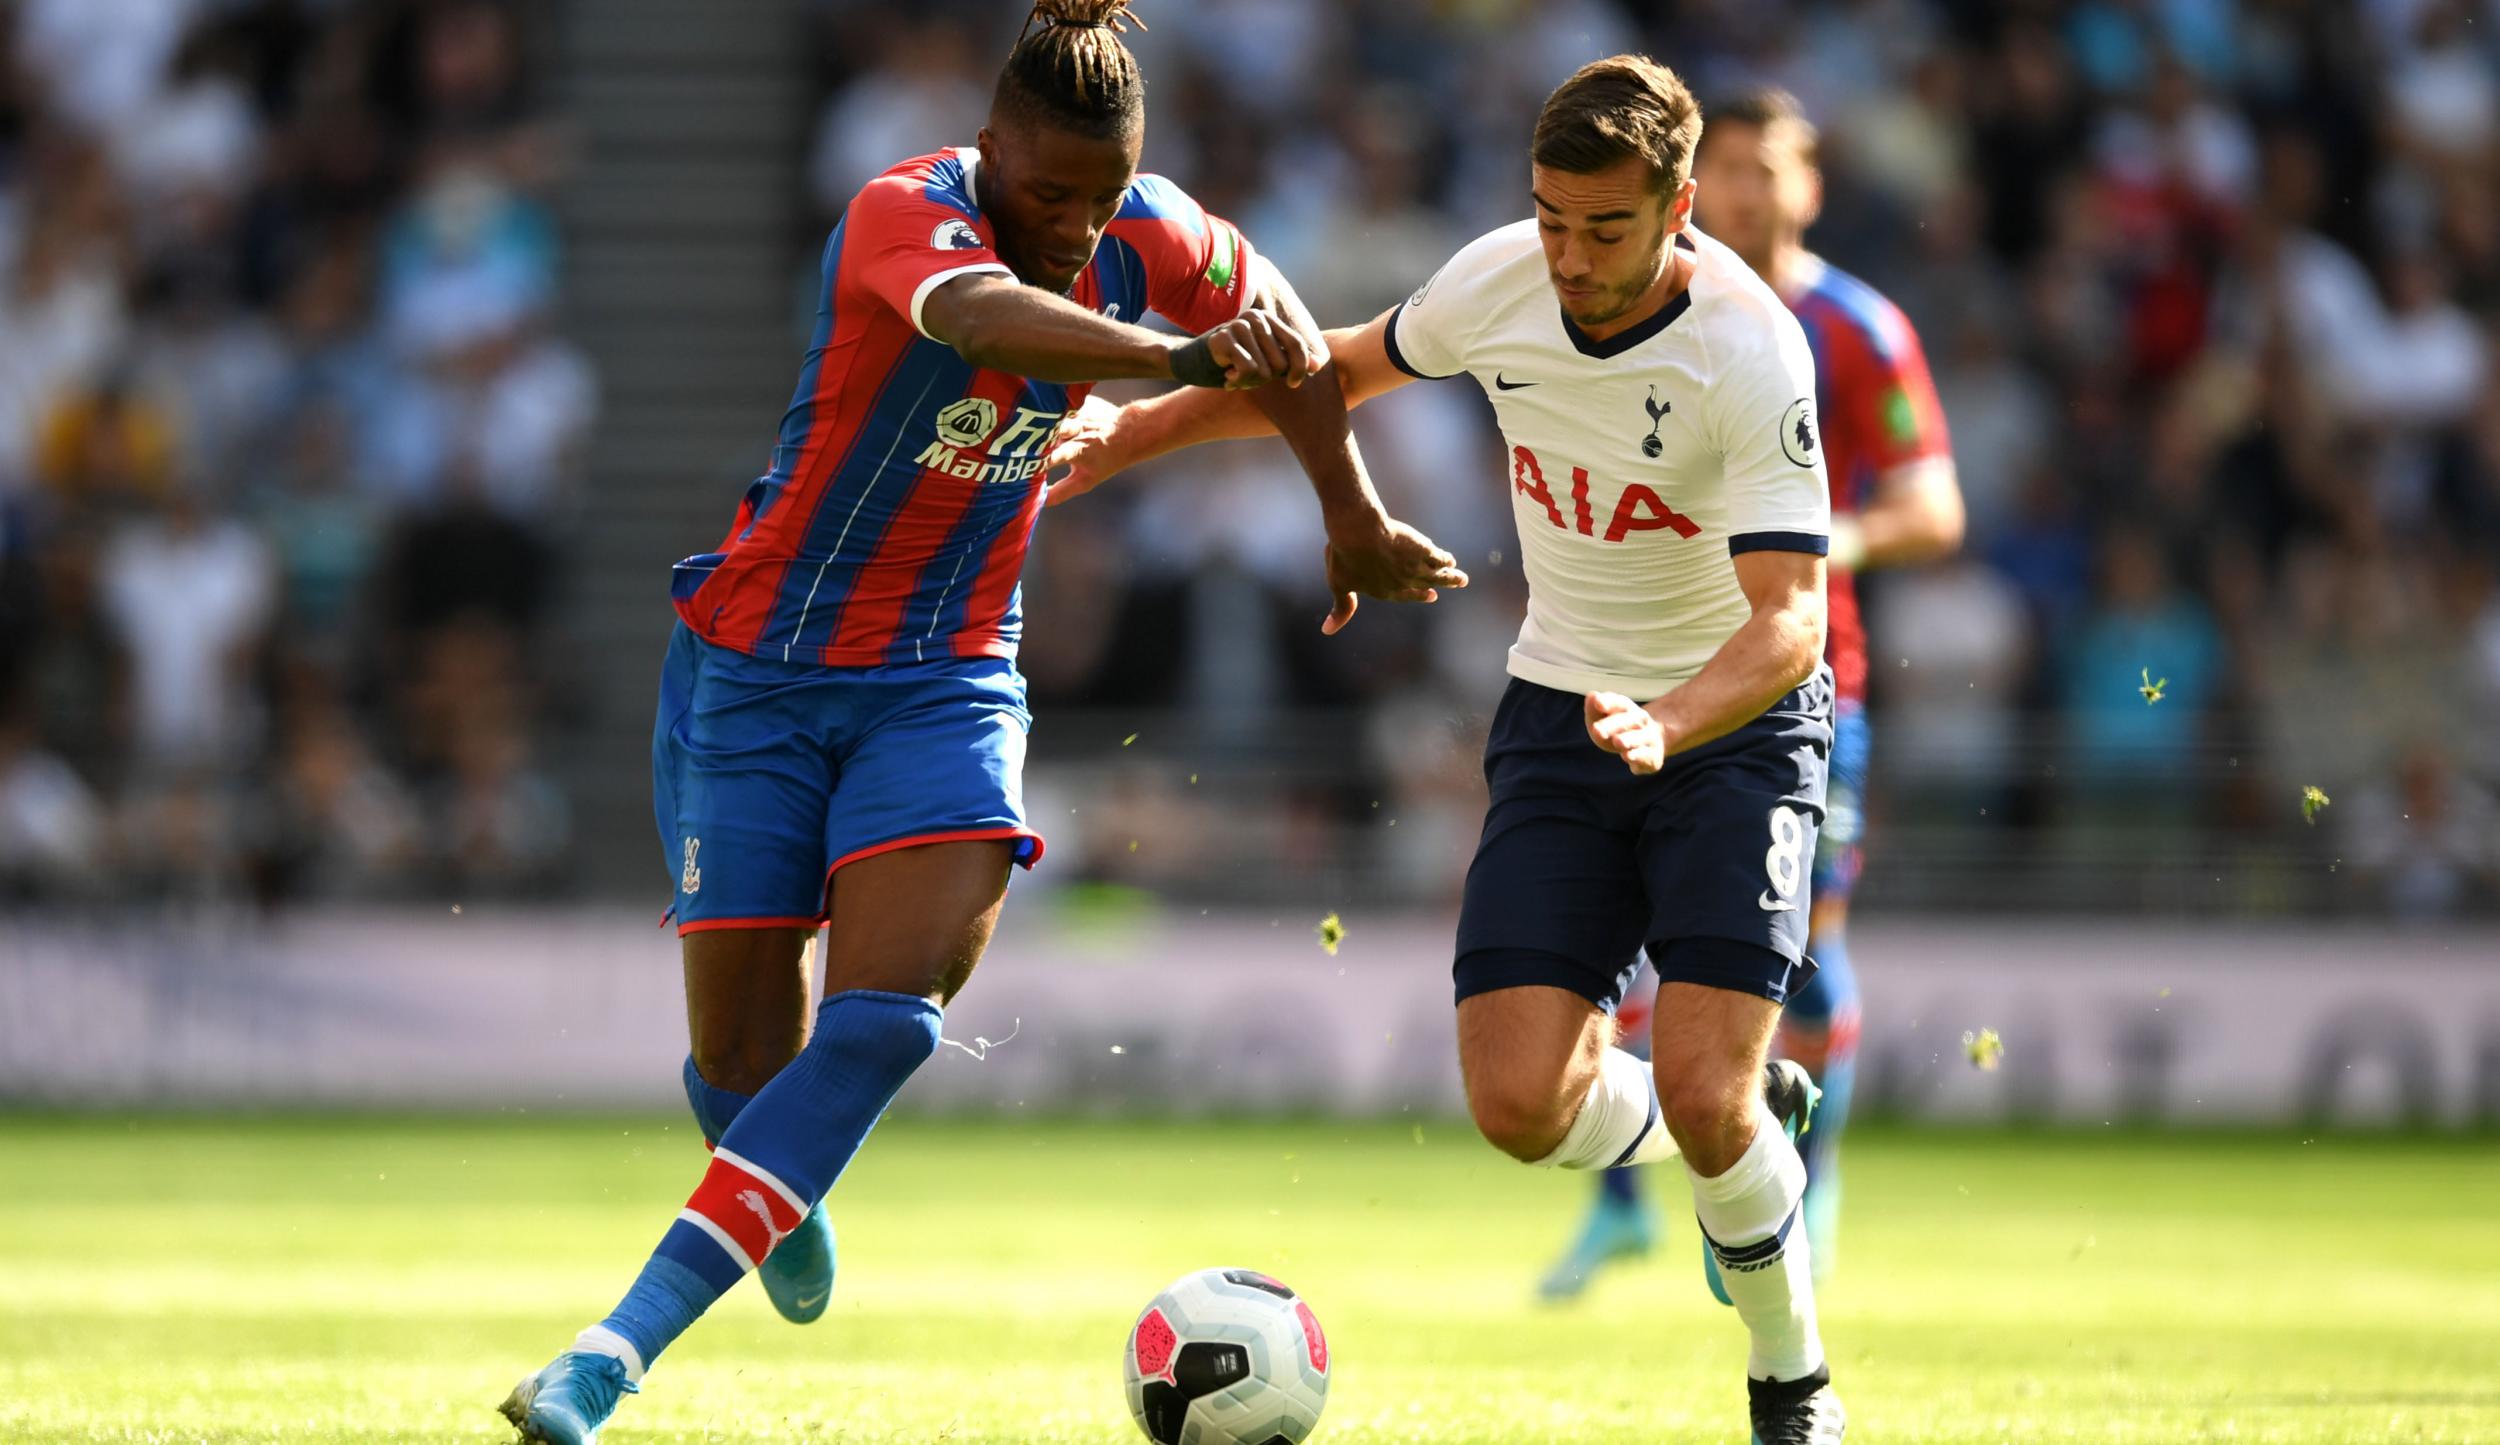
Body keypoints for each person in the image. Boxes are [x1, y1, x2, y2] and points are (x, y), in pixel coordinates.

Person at [496, 4, 1464, 1440]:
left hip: (945, 673)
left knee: (883, 1027)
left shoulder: (1159, 234)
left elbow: (1292, 352)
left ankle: (604, 1357)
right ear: (990, 145)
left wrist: (1352, 508)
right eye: (1046, 192)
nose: (1073, 223)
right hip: (755, 671)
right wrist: (1170, 357)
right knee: (743, 1069)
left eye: (1100, 192)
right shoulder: (907, 212)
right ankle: (769, 1169)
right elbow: (979, 319)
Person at [1049, 54, 1847, 1444]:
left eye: (1603, 228)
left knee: (1709, 1098)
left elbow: (1792, 621)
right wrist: (1135, 436)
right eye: (1549, 217)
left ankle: (1793, 1381)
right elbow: (1324, 376)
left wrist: (1667, 721)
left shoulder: (1750, 347)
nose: (1569, 255)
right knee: (1518, 1105)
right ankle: (1728, 1123)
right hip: (1560, 711)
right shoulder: (1500, 280)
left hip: (1733, 728)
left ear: (1677, 209)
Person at [1544, 86, 1965, 1304]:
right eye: (1724, 167)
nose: (1744, 190)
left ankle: (1806, 1180)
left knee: (1800, 945)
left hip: (1798, 673)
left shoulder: (1856, 327)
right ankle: (1623, 1205)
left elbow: (1935, 506)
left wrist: (1816, 531)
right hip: (1644, 659)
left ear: (1809, 185)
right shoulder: (1640, 304)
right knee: (1617, 943)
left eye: (1767, 167)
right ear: (1692, 186)